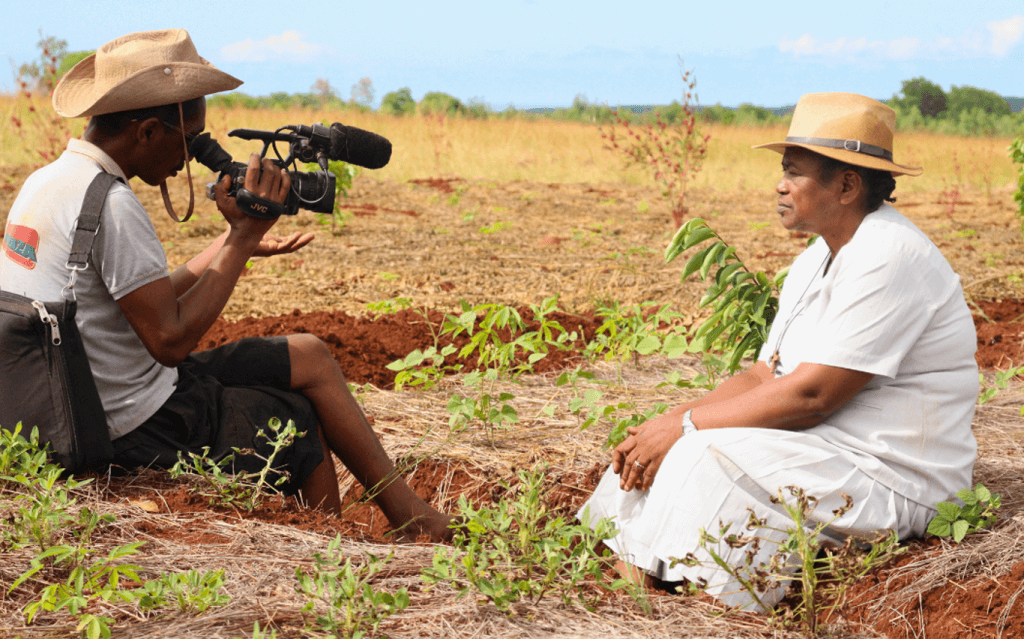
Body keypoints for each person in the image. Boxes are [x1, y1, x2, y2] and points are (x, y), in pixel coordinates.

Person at [0, 29, 452, 542]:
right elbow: (169, 342)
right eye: (189, 140)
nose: (191, 157)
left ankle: (409, 513)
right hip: (130, 423)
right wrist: (241, 237)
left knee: (309, 354)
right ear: (147, 131)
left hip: (77, 400)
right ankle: (334, 550)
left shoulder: (49, 183)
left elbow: (132, 301)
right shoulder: (114, 205)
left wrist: (226, 247)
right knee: (298, 418)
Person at [579, 92, 979, 609]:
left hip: (892, 476)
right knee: (669, 440)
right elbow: (764, 374)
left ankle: (656, 600)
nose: (779, 184)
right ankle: (622, 580)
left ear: (847, 184)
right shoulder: (819, 256)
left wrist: (685, 429)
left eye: (794, 172)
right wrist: (672, 417)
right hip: (831, 451)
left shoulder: (890, 256)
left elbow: (813, 395)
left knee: (699, 451)